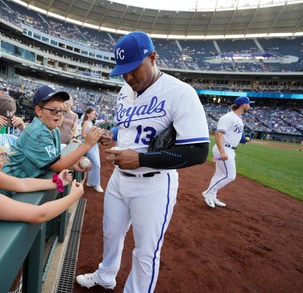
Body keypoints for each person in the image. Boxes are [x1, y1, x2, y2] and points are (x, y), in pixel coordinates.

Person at [75, 31, 210, 292]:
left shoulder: (181, 92)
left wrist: (142, 159)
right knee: (111, 235)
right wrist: (111, 134)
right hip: (118, 179)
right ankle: (105, 276)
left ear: (152, 57)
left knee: (145, 253)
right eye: (123, 71)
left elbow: (198, 151)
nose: (128, 77)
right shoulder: (125, 90)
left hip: (154, 184)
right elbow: (128, 125)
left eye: (134, 69)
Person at [2, 85, 105, 181]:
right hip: (7, 186)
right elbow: (57, 165)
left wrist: (72, 164)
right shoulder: (38, 132)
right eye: (53, 110)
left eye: (62, 111)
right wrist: (87, 145)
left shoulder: (53, 129)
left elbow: (54, 159)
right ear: (39, 111)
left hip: (20, 183)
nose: (59, 114)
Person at [202, 96, 254, 208]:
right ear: (243, 105)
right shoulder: (228, 117)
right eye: (249, 104)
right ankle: (209, 192)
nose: (250, 106)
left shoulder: (238, 119)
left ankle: (212, 195)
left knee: (220, 174)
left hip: (230, 150)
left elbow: (236, 136)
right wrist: (222, 152)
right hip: (224, 149)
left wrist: (245, 139)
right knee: (230, 176)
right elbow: (218, 134)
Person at [81, 107, 103, 193]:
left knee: (95, 165)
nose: (94, 115)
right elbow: (83, 135)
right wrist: (92, 138)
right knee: (97, 165)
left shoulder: (90, 122)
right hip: (89, 146)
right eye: (93, 114)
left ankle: (90, 182)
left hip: (95, 146)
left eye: (94, 114)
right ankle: (96, 184)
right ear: (88, 114)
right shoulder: (86, 122)